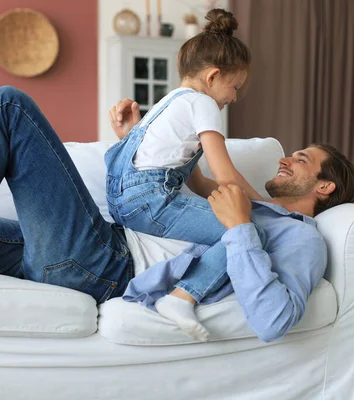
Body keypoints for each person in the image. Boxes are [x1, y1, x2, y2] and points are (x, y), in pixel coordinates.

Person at [0, 85, 354, 344]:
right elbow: (174, 189)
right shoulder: (247, 203)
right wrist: (136, 142)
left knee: (9, 108)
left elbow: (275, 319)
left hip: (100, 264)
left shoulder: (302, 238)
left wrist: (242, 226)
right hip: (93, 247)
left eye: (300, 159)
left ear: (325, 187)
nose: (286, 160)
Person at [105, 9, 266, 339]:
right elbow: (225, 174)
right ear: (212, 77)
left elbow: (199, 181)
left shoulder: (170, 103)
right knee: (247, 232)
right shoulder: (201, 104)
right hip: (149, 200)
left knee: (234, 224)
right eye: (234, 87)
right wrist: (266, 204)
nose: (233, 97)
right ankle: (181, 297)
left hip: (124, 200)